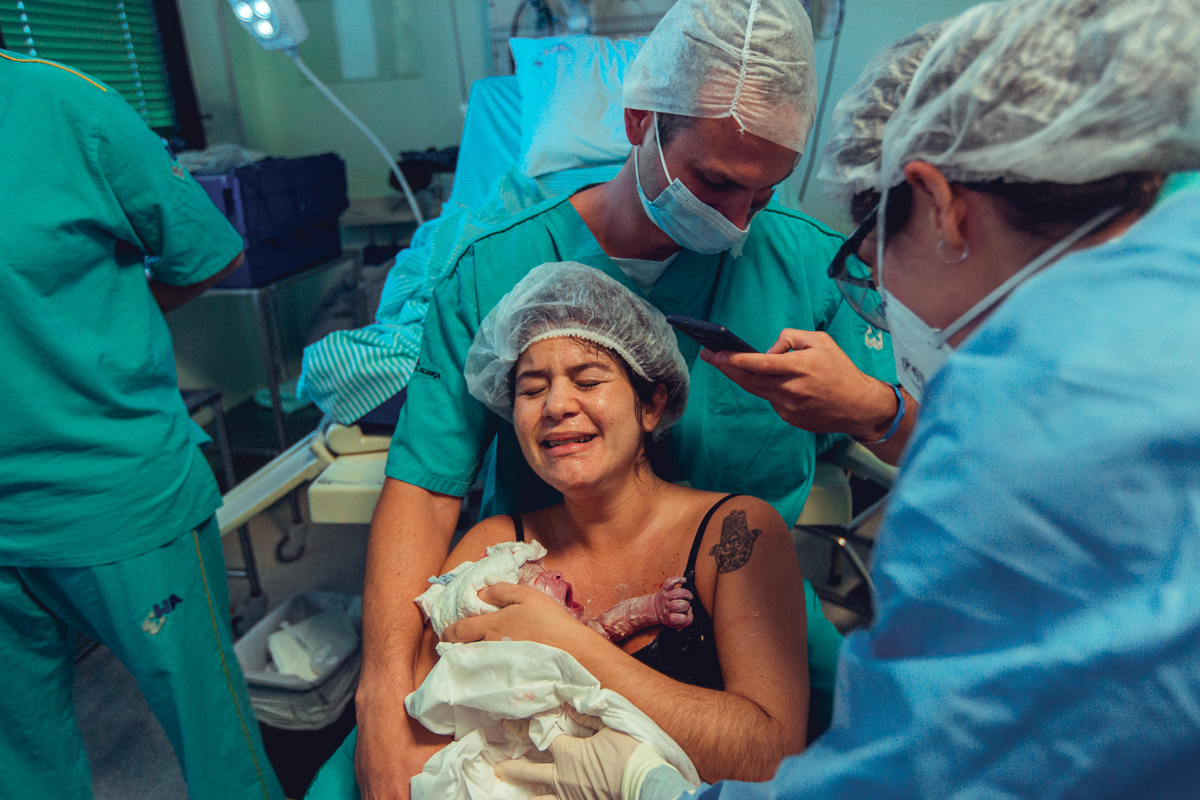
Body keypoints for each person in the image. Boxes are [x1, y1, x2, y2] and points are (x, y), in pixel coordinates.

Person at [486, 0, 1200, 797]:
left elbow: (924, 768)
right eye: (535, 382)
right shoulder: (1172, 264)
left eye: (867, 252)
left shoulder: (1017, 426)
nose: (877, 294)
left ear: (938, 204)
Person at [353, 2, 914, 797]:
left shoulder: (805, 267)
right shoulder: (494, 268)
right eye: (716, 180)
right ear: (640, 122)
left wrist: (869, 407)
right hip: (546, 606)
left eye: (765, 190)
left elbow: (943, 443)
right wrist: (381, 695)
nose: (737, 218)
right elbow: (425, 482)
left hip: (747, 610)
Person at [308, 263, 814, 798]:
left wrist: (568, 642)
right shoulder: (496, 548)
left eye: (589, 380)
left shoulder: (734, 533)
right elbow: (427, 726)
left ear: (652, 404)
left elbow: (768, 757)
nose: (556, 406)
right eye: (531, 389)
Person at [0, 51, 284, 800]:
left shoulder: (69, 110)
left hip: (114, 489)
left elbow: (206, 250)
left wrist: (94, 328)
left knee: (215, 745)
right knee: (21, 765)